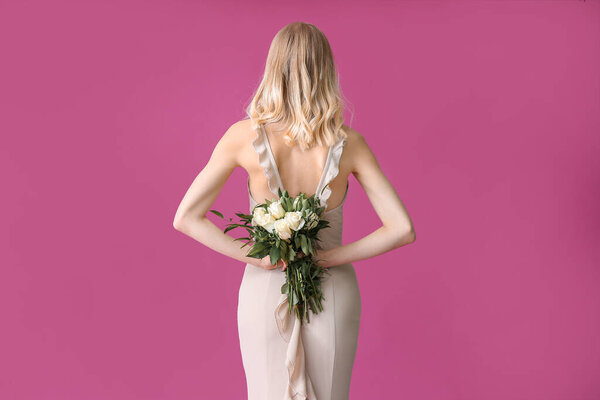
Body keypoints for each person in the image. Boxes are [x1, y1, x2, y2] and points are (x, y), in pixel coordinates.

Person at [173, 21, 416, 400]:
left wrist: (257, 261)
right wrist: (330, 257)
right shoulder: (350, 144)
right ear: (325, 71)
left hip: (265, 289)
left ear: (274, 68)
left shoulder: (241, 136)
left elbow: (186, 216)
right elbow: (402, 228)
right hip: (332, 290)